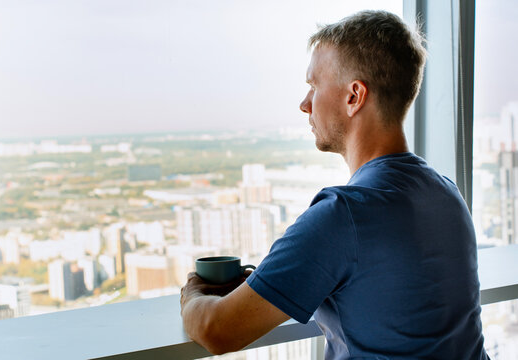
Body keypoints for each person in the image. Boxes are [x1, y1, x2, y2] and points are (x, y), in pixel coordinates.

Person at [180, 10, 489, 359]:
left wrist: (192, 292)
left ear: (354, 96)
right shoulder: (446, 193)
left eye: (314, 86)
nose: (304, 104)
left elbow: (215, 330)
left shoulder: (343, 214)